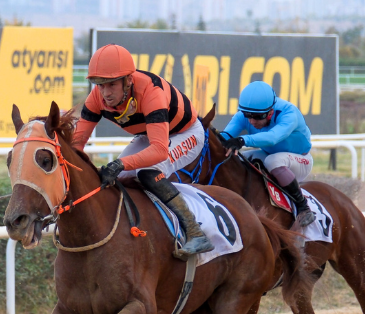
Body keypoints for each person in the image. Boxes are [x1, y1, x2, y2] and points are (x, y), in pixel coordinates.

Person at [71, 44, 213, 259]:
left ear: (128, 80)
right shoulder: (96, 99)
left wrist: (121, 163)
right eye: (99, 85)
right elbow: (76, 145)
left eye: (111, 85)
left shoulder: (151, 92)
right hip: (152, 134)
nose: (105, 93)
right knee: (112, 178)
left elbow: (158, 150)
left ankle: (195, 231)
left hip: (186, 133)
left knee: (147, 172)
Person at [219, 81, 316, 227]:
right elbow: (225, 136)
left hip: (301, 160)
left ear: (270, 112)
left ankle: (303, 206)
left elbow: (272, 137)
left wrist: (241, 140)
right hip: (271, 155)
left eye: (257, 117)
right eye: (247, 115)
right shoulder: (244, 115)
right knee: (240, 158)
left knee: (273, 161)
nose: (251, 121)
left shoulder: (289, 113)